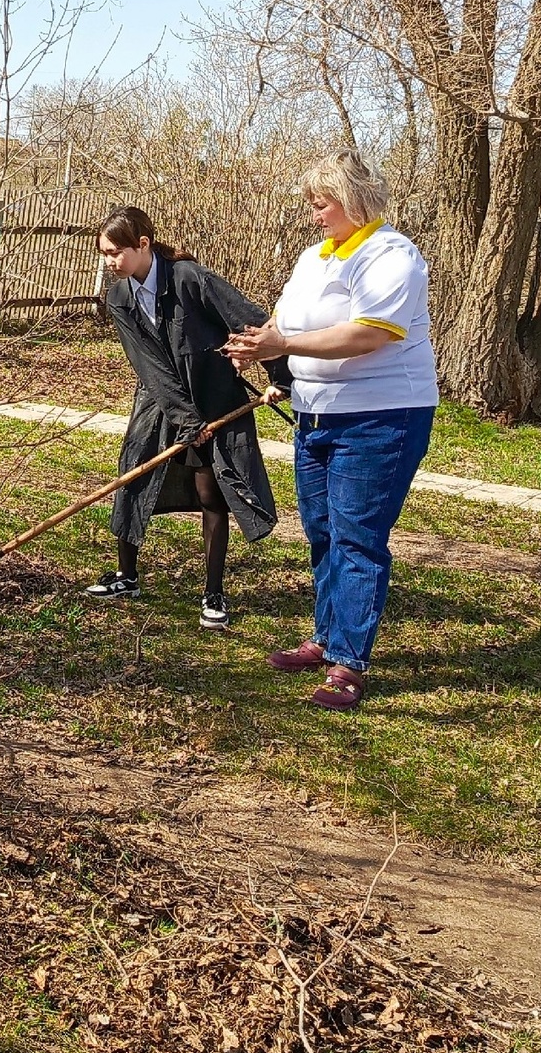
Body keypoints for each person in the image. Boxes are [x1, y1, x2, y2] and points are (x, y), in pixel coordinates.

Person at [224, 149, 437, 711]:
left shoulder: (392, 254)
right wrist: (262, 347)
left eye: (322, 205)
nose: (314, 215)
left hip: (381, 418)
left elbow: (370, 333)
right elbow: (285, 321)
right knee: (321, 530)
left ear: (355, 199)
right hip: (317, 413)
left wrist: (284, 347)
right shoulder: (315, 256)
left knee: (358, 537)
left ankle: (349, 662)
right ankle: (324, 638)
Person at [89, 206, 288, 628]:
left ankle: (213, 594)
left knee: (211, 494)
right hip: (159, 400)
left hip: (214, 399)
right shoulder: (119, 297)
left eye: (114, 252)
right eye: (104, 253)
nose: (109, 261)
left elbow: (252, 321)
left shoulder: (190, 280)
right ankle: (127, 576)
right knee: (133, 475)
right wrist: (184, 420)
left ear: (143, 244)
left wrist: (280, 378)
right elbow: (148, 365)